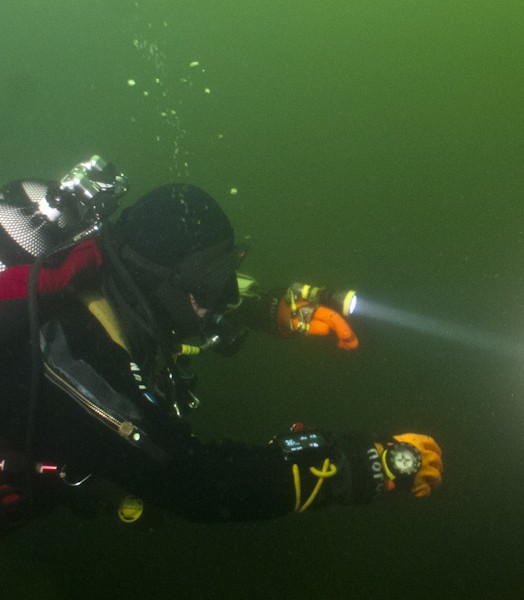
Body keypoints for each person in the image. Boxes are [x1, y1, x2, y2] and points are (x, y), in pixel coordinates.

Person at [0, 159, 442, 527]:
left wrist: (266, 308)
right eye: (214, 284)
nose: (226, 295)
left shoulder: (104, 265)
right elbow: (193, 481)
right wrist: (358, 466)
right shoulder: (72, 353)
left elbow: (181, 287)